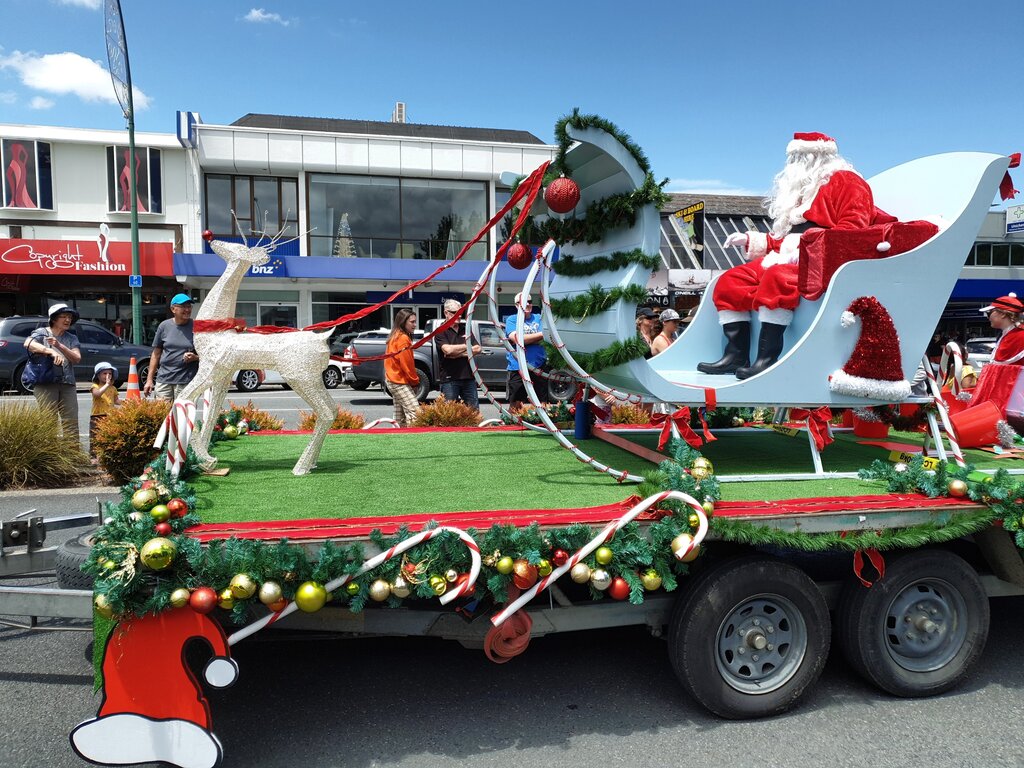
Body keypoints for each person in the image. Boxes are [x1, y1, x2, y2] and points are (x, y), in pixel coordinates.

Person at [698, 132, 897, 379]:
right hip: (793, 254)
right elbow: (791, 237)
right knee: (731, 281)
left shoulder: (848, 182)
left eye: (798, 157)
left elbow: (852, 231)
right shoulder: (805, 190)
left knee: (777, 278)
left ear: (817, 156)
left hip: (825, 259)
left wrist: (804, 244)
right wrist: (756, 240)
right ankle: (735, 355)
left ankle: (767, 358)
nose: (793, 164)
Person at [24, 303, 82, 439]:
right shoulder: (41, 333)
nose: (68, 320)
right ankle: (49, 457)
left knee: (71, 422)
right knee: (48, 421)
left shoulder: (71, 338)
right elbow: (28, 343)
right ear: (54, 319)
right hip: (45, 381)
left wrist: (59, 345)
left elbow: (77, 358)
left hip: (67, 383)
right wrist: (49, 350)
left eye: (70, 317)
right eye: (64, 316)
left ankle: (73, 457)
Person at [145, 293, 199, 400]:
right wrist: (149, 380)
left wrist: (195, 358)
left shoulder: (197, 327)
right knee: (163, 415)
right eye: (183, 307)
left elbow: (207, 354)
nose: (187, 310)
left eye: (189, 306)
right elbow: (156, 354)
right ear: (173, 309)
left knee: (183, 415)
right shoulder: (164, 326)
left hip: (186, 381)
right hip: (164, 380)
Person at [435, 299, 481, 409]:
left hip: (468, 377)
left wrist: (457, 354)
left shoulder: (465, 329)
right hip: (450, 379)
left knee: (473, 412)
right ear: (446, 313)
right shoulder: (440, 331)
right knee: (449, 414)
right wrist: (467, 346)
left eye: (461, 313)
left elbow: (478, 348)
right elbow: (448, 351)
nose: (459, 316)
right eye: (455, 313)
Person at [505, 292, 547, 409]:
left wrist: (525, 340)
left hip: (539, 366)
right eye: (523, 302)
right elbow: (517, 339)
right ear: (516, 305)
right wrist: (539, 336)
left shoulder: (539, 318)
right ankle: (513, 425)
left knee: (542, 402)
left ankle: (542, 424)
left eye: (529, 301)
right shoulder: (512, 320)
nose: (527, 304)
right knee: (516, 403)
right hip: (517, 367)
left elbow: (547, 337)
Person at [385, 308, 421, 427]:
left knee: (400, 417)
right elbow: (407, 364)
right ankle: (413, 439)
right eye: (412, 322)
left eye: (415, 321)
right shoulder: (403, 338)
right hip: (398, 381)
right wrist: (415, 382)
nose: (415, 325)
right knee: (416, 413)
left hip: (392, 379)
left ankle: (398, 439)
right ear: (403, 322)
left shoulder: (395, 335)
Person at [89, 362, 119, 459]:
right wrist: (106, 384)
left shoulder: (113, 388)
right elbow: (97, 394)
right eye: (104, 373)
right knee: (95, 437)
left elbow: (116, 400)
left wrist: (127, 402)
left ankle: (105, 456)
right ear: (98, 375)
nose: (108, 376)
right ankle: (94, 457)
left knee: (108, 436)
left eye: (110, 373)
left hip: (109, 416)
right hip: (97, 415)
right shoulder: (95, 386)